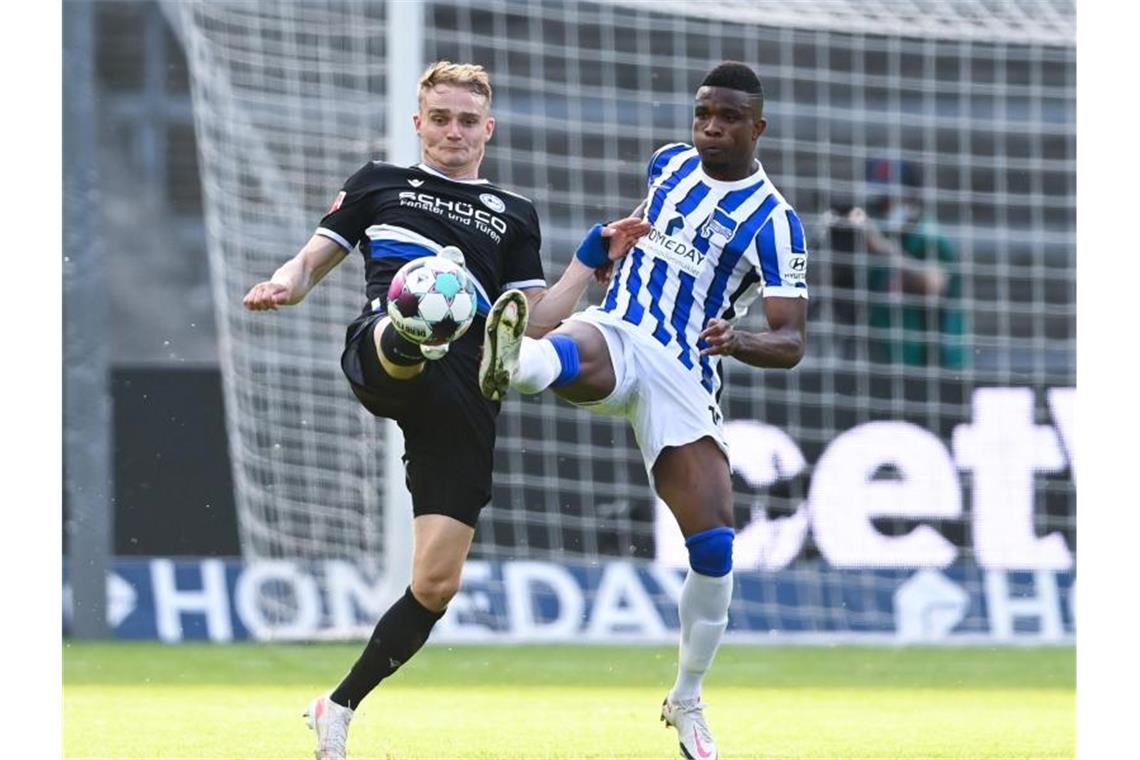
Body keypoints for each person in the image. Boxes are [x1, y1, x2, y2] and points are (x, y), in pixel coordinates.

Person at [242, 61, 646, 760]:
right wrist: (281, 285)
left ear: (486, 129)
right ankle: (418, 328)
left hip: (466, 386)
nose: (452, 132)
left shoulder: (512, 212)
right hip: (385, 347)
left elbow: (540, 318)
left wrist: (588, 260)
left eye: (466, 121)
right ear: (418, 123)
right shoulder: (378, 183)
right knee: (428, 301)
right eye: (440, 119)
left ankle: (336, 706)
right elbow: (309, 264)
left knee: (435, 584)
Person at [479, 61, 808, 760]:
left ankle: (686, 696)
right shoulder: (668, 166)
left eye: (726, 118)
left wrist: (741, 339)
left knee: (715, 545)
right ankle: (510, 359)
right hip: (622, 329)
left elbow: (791, 340)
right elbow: (644, 241)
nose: (710, 128)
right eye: (702, 115)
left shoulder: (776, 224)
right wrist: (608, 257)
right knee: (569, 353)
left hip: (686, 374)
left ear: (759, 127)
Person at [836, 158, 966, 369]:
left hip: (935, 368)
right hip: (886, 365)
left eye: (889, 199)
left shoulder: (928, 236)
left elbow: (934, 284)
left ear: (910, 197)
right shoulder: (877, 238)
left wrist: (882, 248)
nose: (883, 207)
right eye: (878, 200)